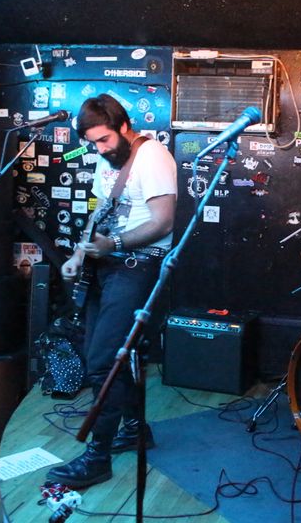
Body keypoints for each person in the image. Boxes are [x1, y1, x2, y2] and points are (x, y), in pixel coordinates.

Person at [46, 94, 177, 488]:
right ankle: (135, 429)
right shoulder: (108, 160)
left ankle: (97, 457)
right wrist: (78, 254)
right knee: (111, 355)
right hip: (106, 266)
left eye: (104, 139)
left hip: (138, 267)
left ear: (123, 126)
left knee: (104, 362)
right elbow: (100, 211)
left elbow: (163, 222)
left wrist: (114, 244)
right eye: (92, 143)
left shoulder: (152, 157)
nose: (100, 149)